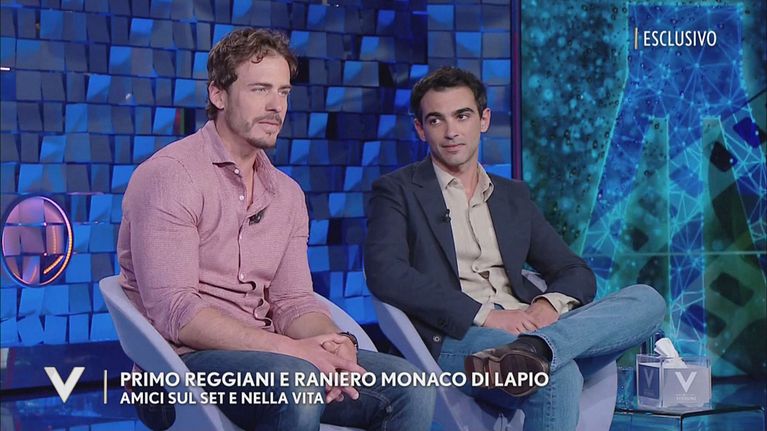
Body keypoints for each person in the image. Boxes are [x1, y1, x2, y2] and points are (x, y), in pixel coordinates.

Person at [118, 28, 435, 431]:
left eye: (283, 92)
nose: (276, 106)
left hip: (273, 358)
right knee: (297, 381)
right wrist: (292, 351)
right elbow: (177, 314)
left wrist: (333, 343)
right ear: (218, 94)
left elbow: (293, 301)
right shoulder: (170, 176)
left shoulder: (286, 194)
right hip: (176, 369)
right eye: (260, 90)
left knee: (411, 386)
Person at [364, 66, 666, 430]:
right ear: (420, 128)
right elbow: (386, 273)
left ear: (484, 119)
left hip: (527, 327)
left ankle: (536, 349)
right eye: (436, 120)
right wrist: (486, 315)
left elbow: (573, 270)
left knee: (647, 300)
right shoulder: (397, 191)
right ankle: (537, 353)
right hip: (457, 339)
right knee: (556, 375)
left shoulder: (512, 196)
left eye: (462, 116)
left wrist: (545, 307)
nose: (451, 131)